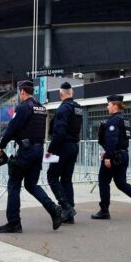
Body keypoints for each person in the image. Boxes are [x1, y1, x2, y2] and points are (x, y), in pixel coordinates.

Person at [0, 80, 62, 233]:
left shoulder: (24, 107)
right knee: (31, 185)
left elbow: (12, 128)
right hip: (38, 150)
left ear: (22, 92)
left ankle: (14, 223)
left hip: (26, 151)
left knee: (13, 184)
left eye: (19, 92)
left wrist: (0, 146)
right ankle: (53, 209)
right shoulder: (40, 108)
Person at [91, 95, 131, 220]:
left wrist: (107, 156)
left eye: (108, 104)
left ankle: (104, 211)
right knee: (121, 183)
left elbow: (112, 140)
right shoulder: (125, 120)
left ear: (115, 105)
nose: (107, 107)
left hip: (114, 156)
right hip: (123, 154)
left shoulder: (113, 120)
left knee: (103, 182)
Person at [46, 82, 83, 224]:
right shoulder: (77, 108)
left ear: (61, 94)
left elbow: (59, 132)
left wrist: (50, 150)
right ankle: (70, 213)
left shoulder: (62, 109)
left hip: (61, 147)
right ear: (72, 93)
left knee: (52, 176)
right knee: (66, 179)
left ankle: (66, 207)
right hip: (74, 146)